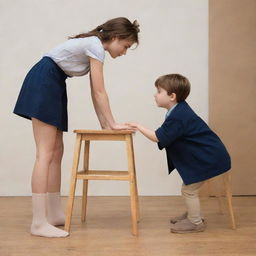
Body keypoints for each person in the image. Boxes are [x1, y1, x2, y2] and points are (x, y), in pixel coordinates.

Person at [13, 17, 140, 238]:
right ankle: (38, 222)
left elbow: (94, 91)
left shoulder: (94, 46)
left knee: (56, 151)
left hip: (53, 82)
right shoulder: (95, 46)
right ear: (117, 37)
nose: (125, 52)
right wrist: (113, 123)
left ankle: (53, 214)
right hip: (45, 80)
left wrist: (105, 123)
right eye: (126, 47)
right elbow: (100, 91)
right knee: (44, 153)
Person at [127, 74, 231, 233]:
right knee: (188, 187)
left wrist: (138, 126)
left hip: (210, 159)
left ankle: (195, 222)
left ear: (172, 96)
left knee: (189, 189)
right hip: (209, 156)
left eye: (159, 91)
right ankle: (192, 213)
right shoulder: (179, 110)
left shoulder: (178, 115)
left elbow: (157, 137)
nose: (155, 94)